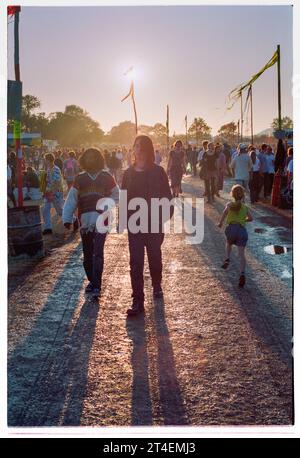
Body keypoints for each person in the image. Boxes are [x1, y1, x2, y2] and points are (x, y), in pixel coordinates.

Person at [121, 135, 173, 317]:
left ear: (148, 150)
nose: (139, 150)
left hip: (154, 222)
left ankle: (157, 284)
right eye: (136, 146)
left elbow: (167, 196)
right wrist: (123, 221)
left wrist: (165, 216)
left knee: (154, 257)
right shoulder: (128, 174)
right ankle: (137, 301)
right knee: (135, 262)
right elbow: (123, 199)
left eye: (142, 147)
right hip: (135, 224)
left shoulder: (158, 172)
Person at [63, 148, 119, 300]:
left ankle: (97, 285)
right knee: (87, 255)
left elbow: (117, 195)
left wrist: (108, 205)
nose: (91, 160)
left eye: (94, 157)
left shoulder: (107, 176)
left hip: (102, 222)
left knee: (98, 253)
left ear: (99, 159)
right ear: (83, 160)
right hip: (85, 223)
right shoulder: (79, 179)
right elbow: (71, 200)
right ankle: (92, 281)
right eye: (88, 157)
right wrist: (67, 219)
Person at [217, 185, 253, 288]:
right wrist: (243, 220)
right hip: (242, 231)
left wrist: (220, 223)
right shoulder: (245, 207)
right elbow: (251, 218)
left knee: (228, 243)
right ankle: (242, 273)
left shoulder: (229, 205)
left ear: (232, 195)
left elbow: (224, 214)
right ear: (242, 196)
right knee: (242, 254)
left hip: (231, 229)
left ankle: (227, 258)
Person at [42, 153, 64, 235]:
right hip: (49, 193)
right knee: (45, 210)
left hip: (55, 193)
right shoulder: (48, 169)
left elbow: (57, 182)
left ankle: (74, 219)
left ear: (48, 160)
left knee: (60, 211)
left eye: (45, 159)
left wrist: (53, 193)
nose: (44, 161)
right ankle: (48, 228)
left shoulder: (55, 169)